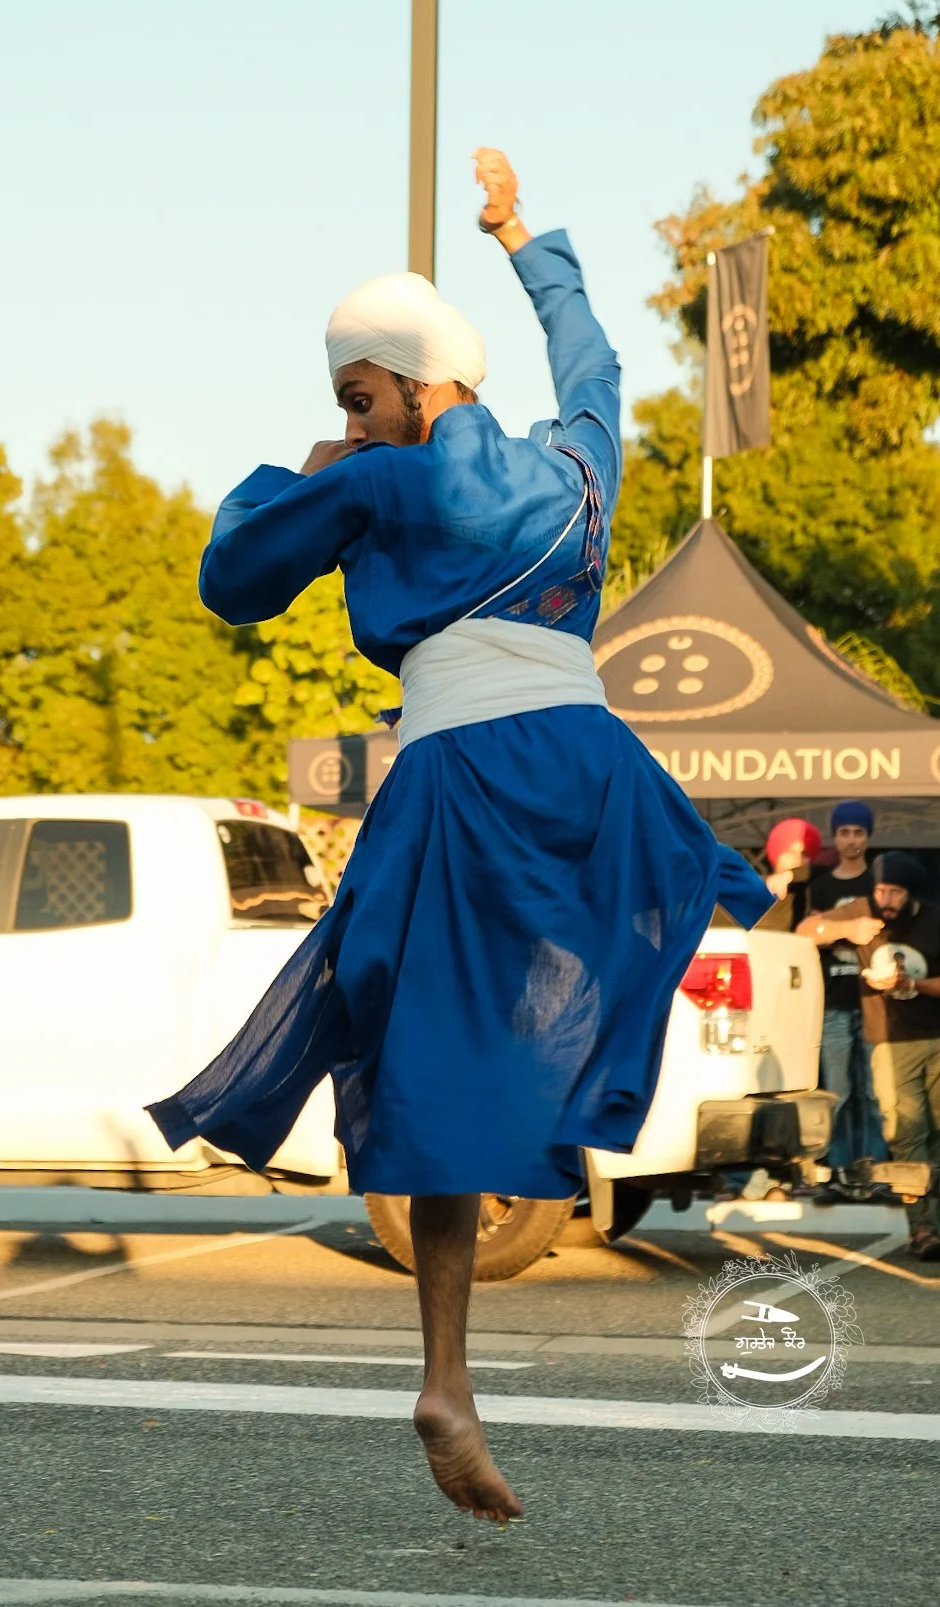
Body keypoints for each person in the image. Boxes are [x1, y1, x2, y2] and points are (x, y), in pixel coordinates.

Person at [146, 149, 772, 1521]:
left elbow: (230, 580)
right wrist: (517, 233)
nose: (353, 422)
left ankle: (445, 1371)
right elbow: (592, 350)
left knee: (424, 1063)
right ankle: (463, 1341)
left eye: (361, 397)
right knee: (515, 1034)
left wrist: (286, 476)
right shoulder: (578, 457)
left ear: (424, 386)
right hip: (590, 771)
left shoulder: (384, 479)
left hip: (455, 776)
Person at [795, 802, 886, 1196]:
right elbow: (805, 931)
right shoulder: (821, 885)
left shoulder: (879, 884)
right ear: (834, 836)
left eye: (858, 832)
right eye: (844, 832)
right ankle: (836, 1172)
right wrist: (846, 926)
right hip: (832, 1000)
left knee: (873, 1092)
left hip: (875, 1003)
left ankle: (878, 1172)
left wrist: (834, 927)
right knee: (838, 1093)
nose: (851, 840)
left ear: (869, 836)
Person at [856, 853, 940, 1260]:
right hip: (889, 1043)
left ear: (911, 894)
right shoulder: (864, 915)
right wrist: (843, 926)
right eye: (881, 890)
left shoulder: (934, 921)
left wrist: (914, 984)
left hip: (936, 1037)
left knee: (938, 1131)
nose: (886, 898)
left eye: (895, 892)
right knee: (907, 1135)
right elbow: (807, 928)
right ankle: (922, 1230)